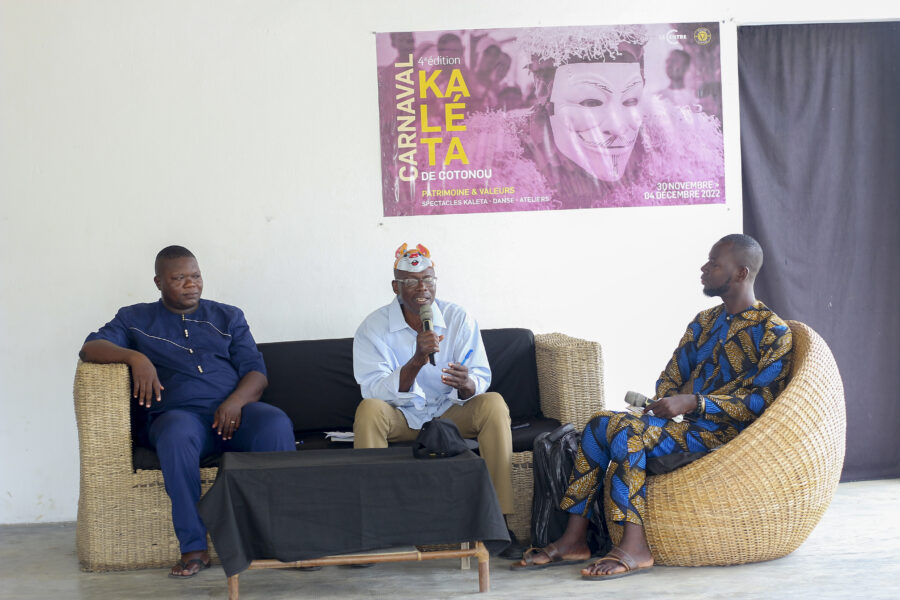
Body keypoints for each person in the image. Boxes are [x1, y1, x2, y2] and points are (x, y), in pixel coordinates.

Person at [513, 234, 793, 578]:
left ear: (741, 273)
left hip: (727, 438)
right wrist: (665, 401)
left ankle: (635, 546)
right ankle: (574, 540)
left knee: (627, 433)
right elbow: (672, 374)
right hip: (685, 429)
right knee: (600, 423)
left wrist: (694, 402)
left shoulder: (773, 331)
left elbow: (761, 402)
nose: (704, 269)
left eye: (714, 263)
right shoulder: (705, 321)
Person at [80, 245, 295, 578]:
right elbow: (91, 347)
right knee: (176, 434)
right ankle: (193, 547)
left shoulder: (228, 316)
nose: (191, 284)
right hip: (179, 418)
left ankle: (284, 537)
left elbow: (256, 372)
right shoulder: (134, 319)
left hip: (234, 415)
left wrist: (235, 402)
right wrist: (136, 358)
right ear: (159, 282)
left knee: (275, 423)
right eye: (179, 278)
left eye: (195, 276)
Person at [353, 243, 522, 558]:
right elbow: (373, 389)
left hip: (448, 414)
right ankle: (373, 528)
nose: (422, 288)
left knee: (494, 403)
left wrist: (468, 385)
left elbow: (480, 375)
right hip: (401, 416)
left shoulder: (458, 318)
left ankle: (498, 523)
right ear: (395, 287)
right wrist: (416, 361)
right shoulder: (373, 327)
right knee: (369, 410)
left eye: (428, 279)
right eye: (411, 281)